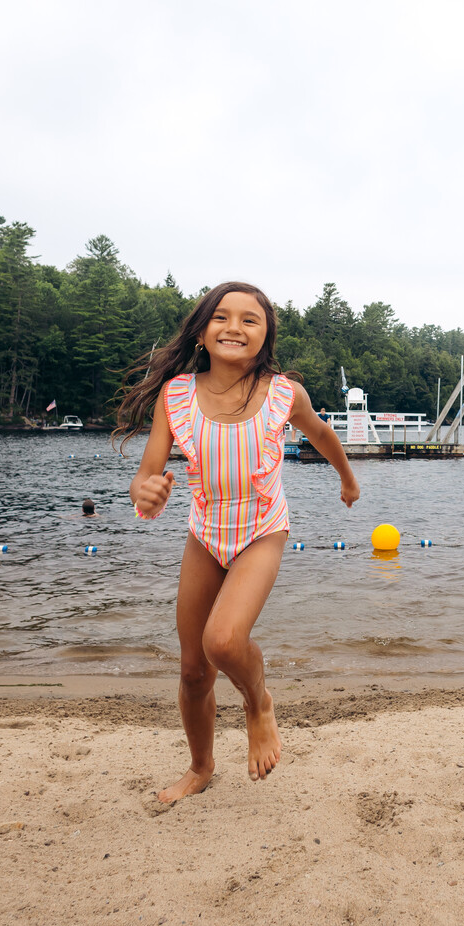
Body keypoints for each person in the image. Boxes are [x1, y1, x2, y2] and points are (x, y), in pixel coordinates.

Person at [115, 281, 359, 805]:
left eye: (250, 319)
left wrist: (347, 478)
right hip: (205, 534)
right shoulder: (175, 394)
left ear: (266, 333)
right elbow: (147, 476)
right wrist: (145, 492)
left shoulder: (283, 392)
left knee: (223, 642)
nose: (234, 327)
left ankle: (258, 702)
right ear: (202, 331)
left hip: (262, 530)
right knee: (192, 669)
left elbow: (320, 433)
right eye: (222, 317)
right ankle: (200, 769)